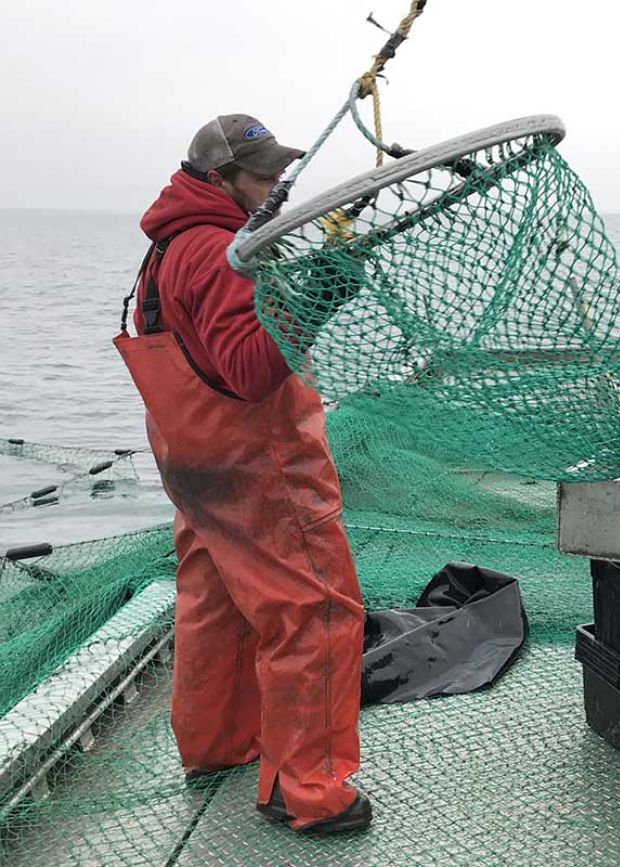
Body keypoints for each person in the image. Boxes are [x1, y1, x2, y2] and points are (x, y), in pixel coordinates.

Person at [114, 115, 371, 833]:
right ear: (217, 178)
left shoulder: (169, 244)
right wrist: (322, 289)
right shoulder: (217, 251)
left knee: (215, 600)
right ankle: (309, 790)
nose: (275, 188)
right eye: (260, 175)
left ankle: (217, 746)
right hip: (258, 463)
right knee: (315, 612)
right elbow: (252, 370)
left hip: (193, 460)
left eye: (278, 173)